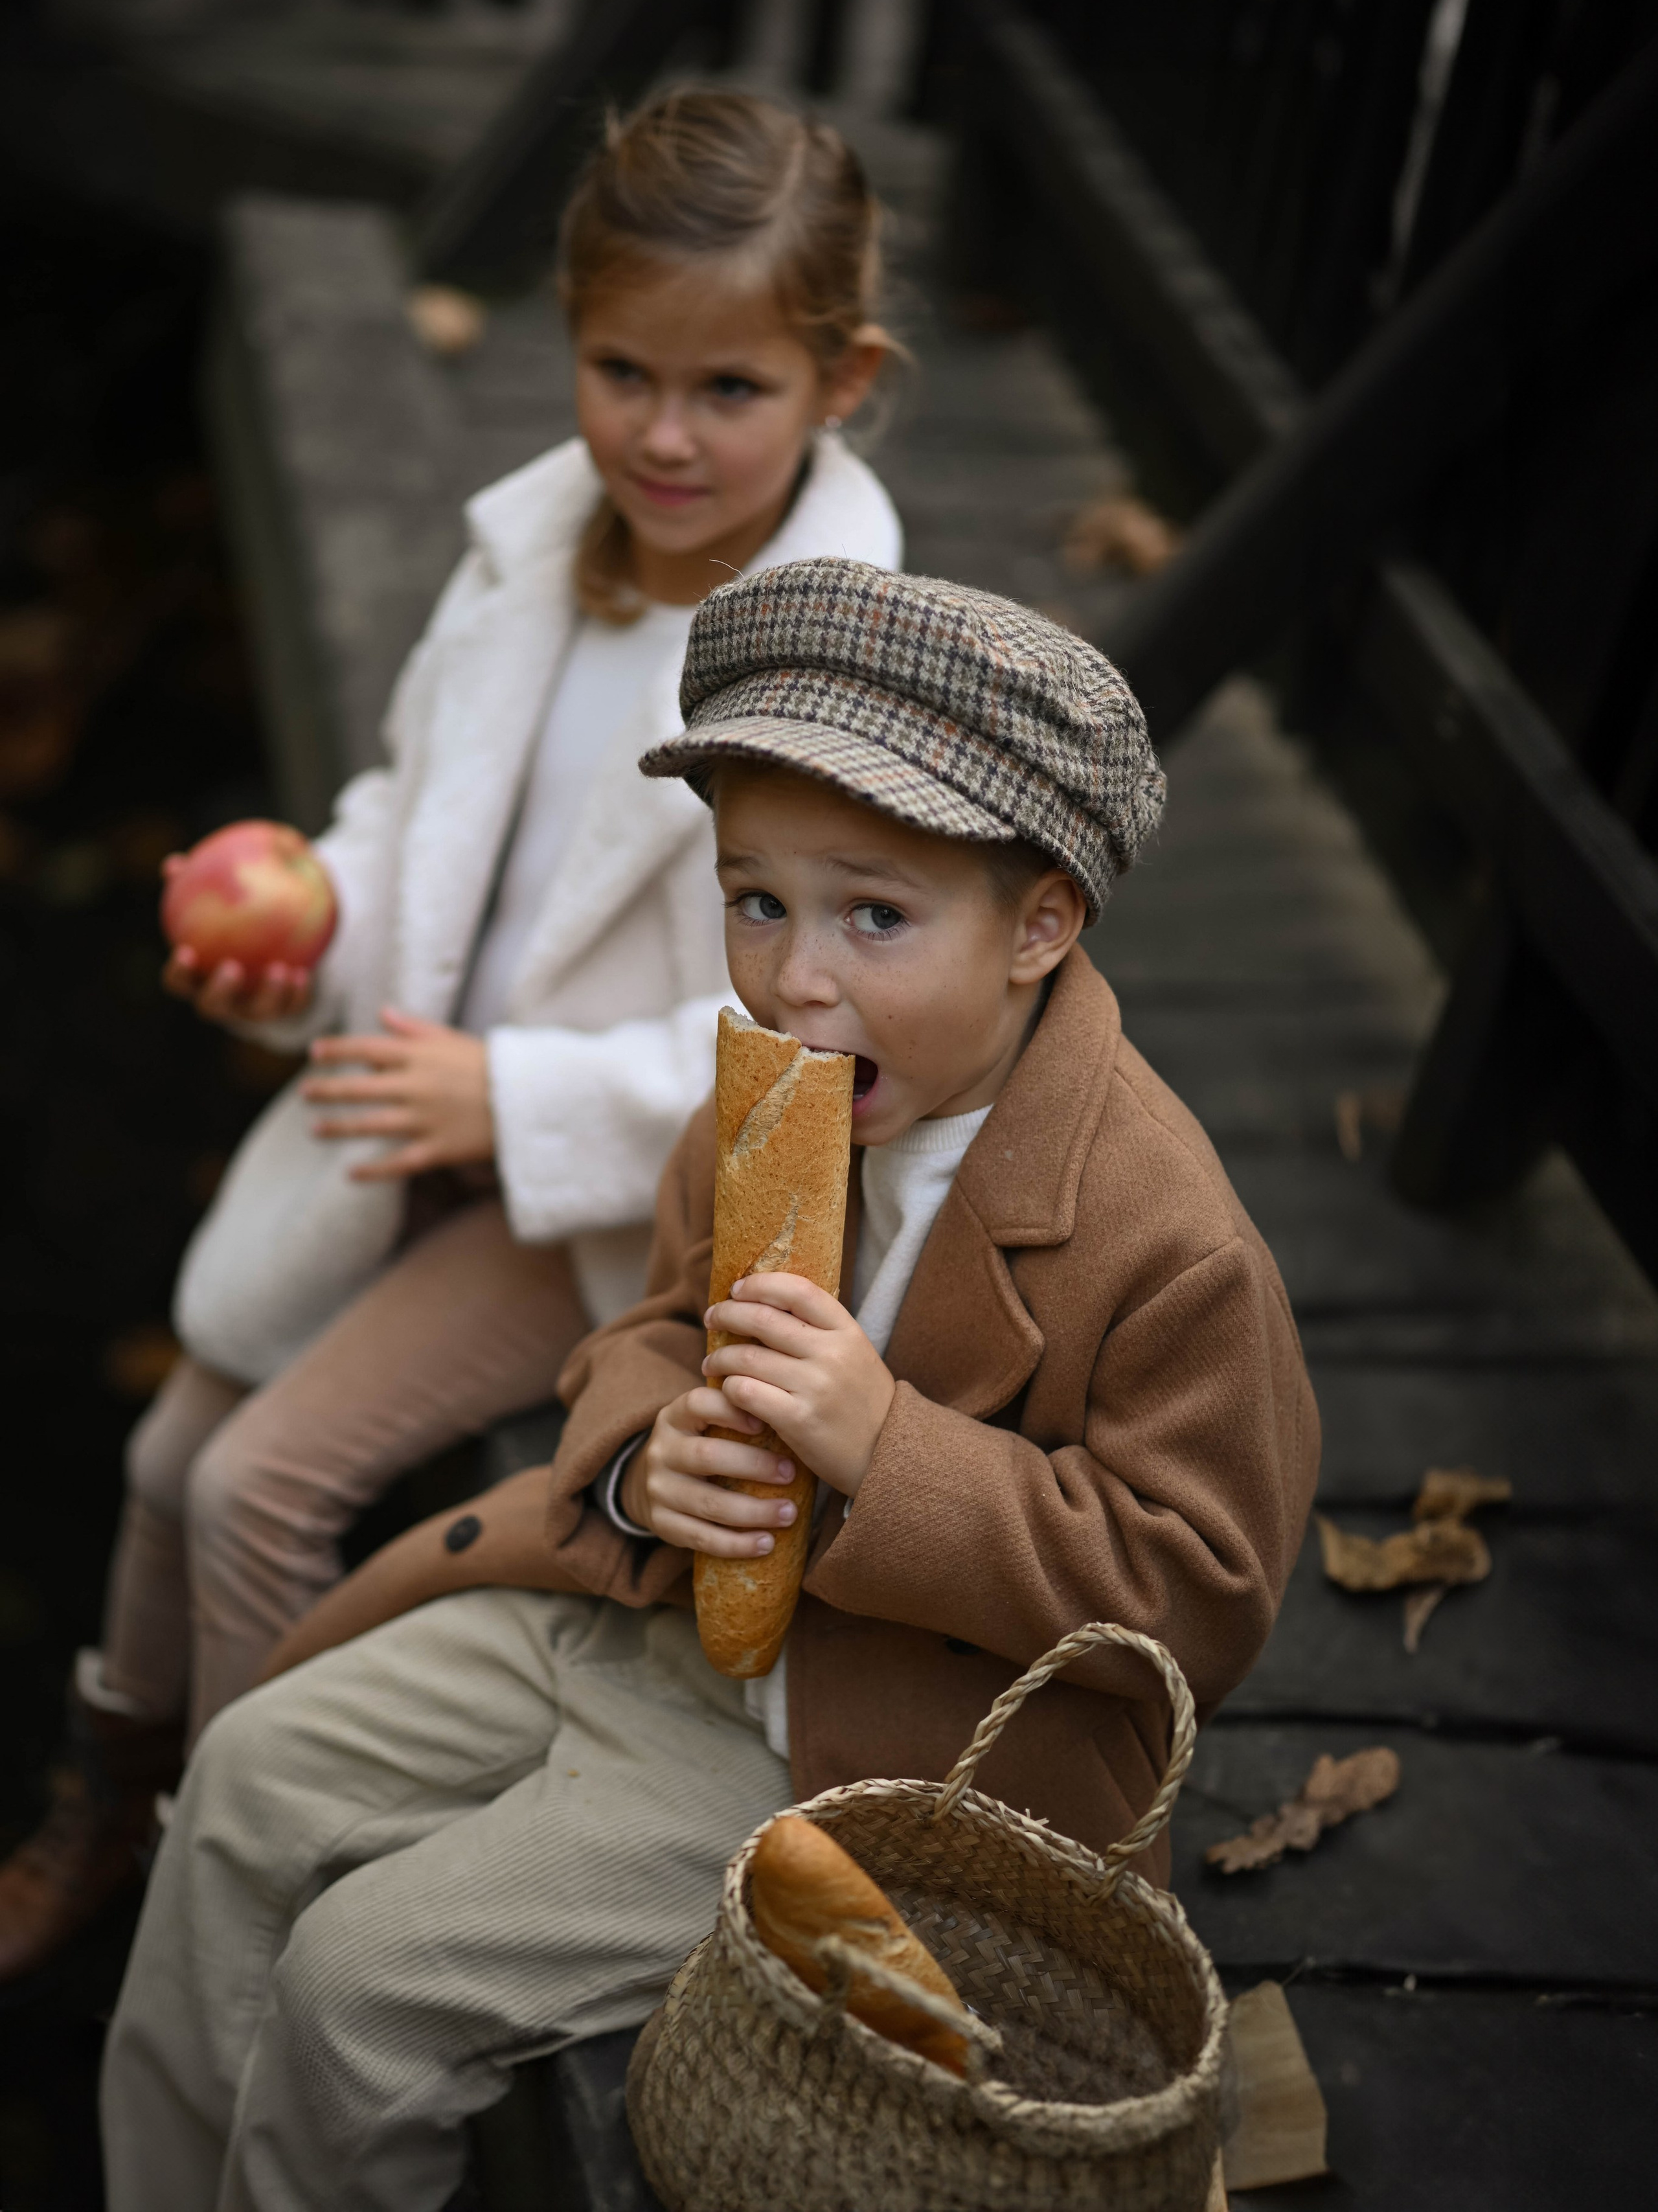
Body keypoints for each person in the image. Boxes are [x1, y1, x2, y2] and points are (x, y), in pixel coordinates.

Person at [101, 559, 1319, 2212]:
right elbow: (652, 1328)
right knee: (243, 1779)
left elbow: (1198, 1595)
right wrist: (636, 1454)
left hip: (863, 1740)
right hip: (657, 1609)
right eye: (755, 900)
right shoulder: (765, 1103)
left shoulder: (1164, 1245)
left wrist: (886, 1448)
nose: (794, 976)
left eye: (873, 914)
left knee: (358, 1990)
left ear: (1040, 924)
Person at [0, 93, 901, 1983]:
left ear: (844, 379)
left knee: (255, 1487)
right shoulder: (537, 555)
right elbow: (418, 804)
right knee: (169, 1461)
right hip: (422, 1103)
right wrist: (315, 922)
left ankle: (229, 1909)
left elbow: (817, 1027)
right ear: (564, 339)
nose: (661, 433)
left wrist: (515, 1095)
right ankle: (113, 1787)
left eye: (726, 389)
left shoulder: (824, 671)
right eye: (619, 369)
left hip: (598, 1187)